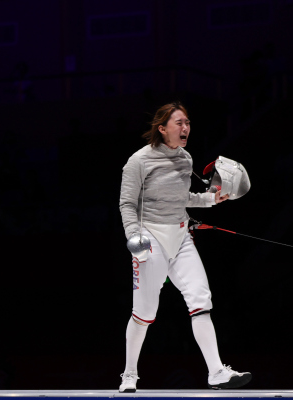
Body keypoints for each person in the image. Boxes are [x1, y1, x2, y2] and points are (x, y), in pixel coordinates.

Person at [118, 102, 251, 392]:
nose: (185, 128)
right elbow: (127, 203)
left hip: (181, 237)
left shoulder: (186, 159)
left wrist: (209, 200)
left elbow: (182, 198)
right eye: (179, 123)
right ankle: (129, 374)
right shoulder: (138, 161)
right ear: (162, 128)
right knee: (144, 311)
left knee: (201, 299)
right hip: (150, 238)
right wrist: (133, 236)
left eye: (187, 123)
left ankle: (216, 371)